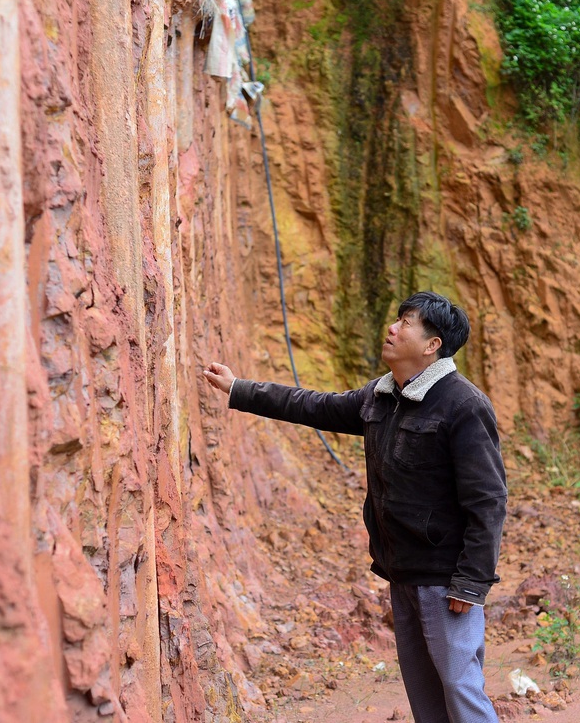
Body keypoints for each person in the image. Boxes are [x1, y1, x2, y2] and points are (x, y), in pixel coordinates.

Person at [203, 291, 507, 723]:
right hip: (400, 570)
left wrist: (472, 582)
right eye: (397, 318)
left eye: (406, 322)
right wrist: (239, 388)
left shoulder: (463, 404)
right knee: (425, 695)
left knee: (459, 688)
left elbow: (488, 500)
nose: (392, 327)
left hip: (445, 580)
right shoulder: (381, 397)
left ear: (431, 344)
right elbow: (310, 404)